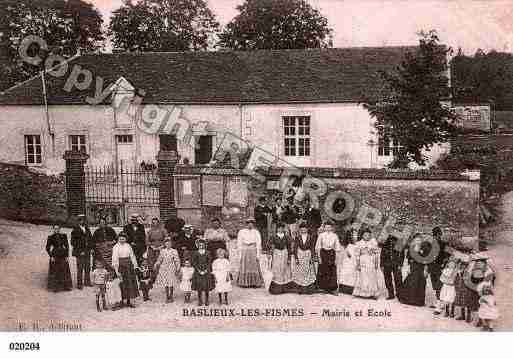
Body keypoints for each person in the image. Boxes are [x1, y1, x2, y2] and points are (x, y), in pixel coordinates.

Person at [397, 234, 429, 307]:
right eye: (416, 240)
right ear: (413, 240)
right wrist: (408, 267)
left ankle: (418, 301)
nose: (418, 241)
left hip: (421, 267)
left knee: (420, 283)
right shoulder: (411, 248)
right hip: (413, 266)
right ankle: (408, 299)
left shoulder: (425, 249)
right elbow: (408, 259)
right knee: (411, 281)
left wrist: (425, 270)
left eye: (419, 240)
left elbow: (427, 261)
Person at [111, 232, 139, 308]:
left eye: (124, 238)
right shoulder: (116, 247)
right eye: (120, 238)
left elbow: (132, 256)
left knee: (129, 284)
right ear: (118, 238)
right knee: (122, 284)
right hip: (121, 267)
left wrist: (135, 266)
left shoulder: (128, 246)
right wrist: (117, 270)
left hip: (129, 267)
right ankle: (121, 301)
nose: (122, 239)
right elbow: (115, 259)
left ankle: (129, 301)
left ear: (126, 239)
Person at [353, 228, 381, 299]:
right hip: (362, 261)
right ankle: (361, 293)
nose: (367, 236)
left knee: (371, 276)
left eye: (368, 235)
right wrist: (358, 264)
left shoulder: (373, 243)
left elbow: (376, 253)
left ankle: (371, 293)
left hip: (370, 261)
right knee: (363, 276)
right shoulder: (359, 243)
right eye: (365, 235)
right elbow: (357, 254)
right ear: (362, 235)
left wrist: (376, 263)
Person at [236, 218, 264, 288]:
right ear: (246, 224)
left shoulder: (256, 232)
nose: (250, 225)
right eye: (248, 223)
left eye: (252, 223)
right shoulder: (241, 232)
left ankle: (255, 282)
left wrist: (258, 254)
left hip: (253, 250)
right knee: (245, 266)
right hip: (245, 250)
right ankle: (244, 283)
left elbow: (258, 243)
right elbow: (239, 243)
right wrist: (240, 254)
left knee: (254, 265)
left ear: (254, 224)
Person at [315, 221, 341, 295]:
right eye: (326, 227)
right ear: (324, 227)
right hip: (323, 253)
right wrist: (319, 258)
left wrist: (336, 259)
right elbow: (318, 247)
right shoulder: (321, 235)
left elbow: (337, 248)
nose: (328, 228)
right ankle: (323, 288)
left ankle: (332, 289)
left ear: (332, 228)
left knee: (332, 270)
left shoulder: (335, 236)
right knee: (323, 269)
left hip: (331, 253)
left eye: (329, 227)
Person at [290, 223, 317, 294]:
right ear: (300, 229)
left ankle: (307, 288)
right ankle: (300, 288)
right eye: (302, 228)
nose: (303, 230)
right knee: (300, 271)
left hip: (308, 254)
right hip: (300, 255)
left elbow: (312, 247)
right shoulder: (297, 237)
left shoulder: (310, 237)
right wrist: (296, 258)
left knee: (307, 271)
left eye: (305, 228)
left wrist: (312, 257)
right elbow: (295, 248)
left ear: (307, 229)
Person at [154, 236, 181, 303]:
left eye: (169, 244)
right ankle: (167, 296)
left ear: (171, 244)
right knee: (165, 281)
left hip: (171, 266)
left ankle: (171, 296)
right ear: (165, 244)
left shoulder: (174, 251)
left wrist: (178, 267)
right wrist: (156, 264)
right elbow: (160, 259)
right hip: (164, 267)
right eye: (166, 244)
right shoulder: (162, 251)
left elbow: (177, 260)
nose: (168, 245)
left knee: (171, 281)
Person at [45, 225, 72, 292]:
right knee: (55, 271)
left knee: (64, 270)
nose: (56, 230)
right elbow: (47, 248)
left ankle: (66, 286)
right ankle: (55, 287)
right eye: (55, 228)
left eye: (58, 228)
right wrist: (51, 256)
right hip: (55, 255)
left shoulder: (64, 236)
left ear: (60, 229)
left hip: (62, 254)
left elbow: (67, 246)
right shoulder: (51, 237)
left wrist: (67, 256)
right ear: (53, 229)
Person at [427, 227, 449, 308]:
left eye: (438, 235)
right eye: (435, 235)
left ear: (440, 235)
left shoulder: (443, 244)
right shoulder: (430, 244)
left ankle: (440, 304)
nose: (436, 237)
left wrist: (444, 265)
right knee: (435, 286)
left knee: (440, 286)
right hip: (432, 267)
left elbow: (447, 256)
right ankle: (438, 302)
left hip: (440, 268)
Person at [268, 223, 293, 295]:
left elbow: (289, 247)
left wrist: (289, 258)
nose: (280, 229)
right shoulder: (273, 236)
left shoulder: (287, 237)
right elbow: (269, 246)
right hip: (276, 253)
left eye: (282, 228)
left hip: (285, 253)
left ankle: (285, 288)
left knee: (285, 269)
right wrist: (270, 254)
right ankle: (276, 288)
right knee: (277, 269)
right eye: (279, 228)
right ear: (277, 229)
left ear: (283, 229)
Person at [71, 214, 94, 289]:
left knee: (87, 267)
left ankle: (87, 282)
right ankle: (79, 284)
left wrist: (91, 248)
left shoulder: (87, 229)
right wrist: (80, 251)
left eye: (83, 220)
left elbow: (90, 239)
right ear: (78, 221)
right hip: (80, 252)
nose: (82, 221)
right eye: (80, 220)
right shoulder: (75, 230)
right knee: (80, 268)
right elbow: (73, 242)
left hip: (87, 251)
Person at [380, 235, 404, 300]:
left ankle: (399, 294)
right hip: (386, 263)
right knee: (387, 280)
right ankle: (391, 294)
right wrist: (381, 264)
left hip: (396, 263)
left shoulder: (399, 240)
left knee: (398, 279)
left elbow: (401, 254)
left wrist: (400, 264)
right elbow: (382, 253)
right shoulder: (386, 241)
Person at [192, 239, 215, 306]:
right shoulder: (196, 253)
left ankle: (207, 300)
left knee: (206, 286)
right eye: (200, 245)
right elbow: (194, 262)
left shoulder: (208, 252)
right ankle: (200, 300)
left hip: (206, 271)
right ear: (198, 246)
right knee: (199, 286)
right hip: (198, 271)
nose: (201, 246)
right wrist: (198, 270)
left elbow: (209, 262)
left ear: (205, 245)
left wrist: (206, 270)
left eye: (202, 245)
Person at [338, 226, 358, 295]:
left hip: (354, 261)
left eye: (356, 235)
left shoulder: (358, 244)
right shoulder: (348, 245)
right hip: (348, 261)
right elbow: (345, 252)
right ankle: (343, 288)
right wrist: (347, 252)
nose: (355, 236)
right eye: (353, 235)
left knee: (353, 274)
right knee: (346, 272)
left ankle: (351, 288)